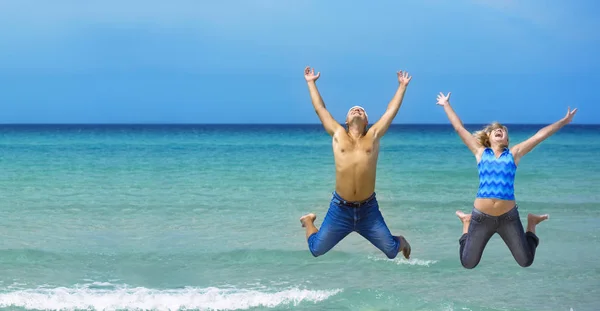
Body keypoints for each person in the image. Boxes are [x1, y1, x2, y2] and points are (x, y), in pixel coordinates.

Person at [435, 91, 578, 269]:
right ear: (488, 137)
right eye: (496, 130)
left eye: (502, 131)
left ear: (507, 139)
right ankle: (466, 222)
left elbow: (539, 136)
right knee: (467, 263)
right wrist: (446, 105)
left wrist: (563, 122)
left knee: (526, 261)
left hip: (508, 218)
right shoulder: (480, 153)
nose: (499, 130)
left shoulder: (513, 154)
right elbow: (459, 128)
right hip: (481, 218)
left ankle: (532, 222)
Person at [299, 66, 412, 260]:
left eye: (361, 110)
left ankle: (401, 241)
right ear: (346, 120)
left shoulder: (374, 136)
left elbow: (390, 111)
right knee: (316, 249)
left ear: (367, 120)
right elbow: (320, 109)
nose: (357, 110)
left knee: (392, 251)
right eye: (353, 110)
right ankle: (309, 221)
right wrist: (311, 82)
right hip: (340, 209)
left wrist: (402, 86)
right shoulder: (338, 134)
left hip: (368, 210)